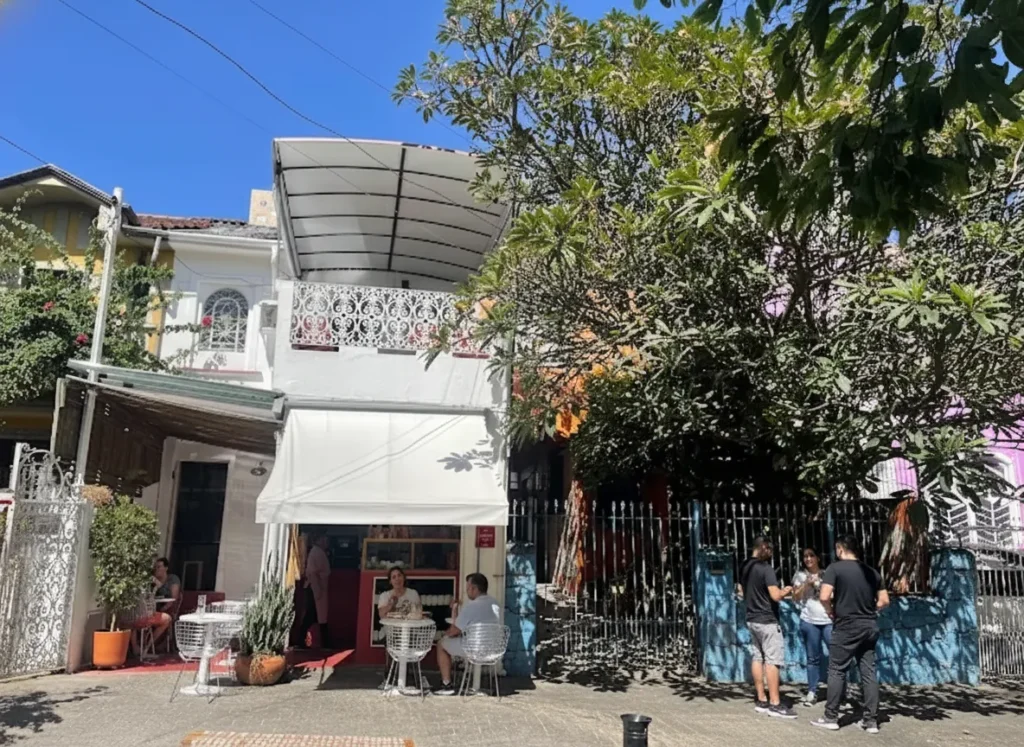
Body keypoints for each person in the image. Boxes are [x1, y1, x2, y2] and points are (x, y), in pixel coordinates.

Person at [811, 534, 890, 734]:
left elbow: (824, 595)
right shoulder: (872, 572)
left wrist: (830, 611)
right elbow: (884, 601)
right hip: (869, 626)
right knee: (868, 672)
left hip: (846, 625)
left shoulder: (834, 569)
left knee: (837, 669)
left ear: (839, 548)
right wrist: (871, 612)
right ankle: (871, 721)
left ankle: (831, 717)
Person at [738, 536, 796, 719]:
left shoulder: (745, 566)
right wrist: (786, 590)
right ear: (763, 547)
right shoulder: (766, 569)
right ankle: (775, 703)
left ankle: (761, 699)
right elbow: (776, 596)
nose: (771, 553)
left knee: (757, 656)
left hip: (751, 618)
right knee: (772, 660)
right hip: (768, 620)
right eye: (769, 549)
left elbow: (740, 591)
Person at [433, 572, 500, 696]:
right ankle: (476, 686)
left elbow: (454, 630)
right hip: (493, 648)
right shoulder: (495, 603)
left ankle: (446, 684)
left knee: (441, 644)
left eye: (468, 588)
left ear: (474, 589)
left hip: (474, 648)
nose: (467, 591)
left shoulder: (472, 606)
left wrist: (445, 634)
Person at [792, 547, 833, 706]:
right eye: (805, 556)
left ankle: (839, 691)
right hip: (809, 620)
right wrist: (806, 584)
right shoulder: (800, 575)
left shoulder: (827, 574)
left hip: (828, 620)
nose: (808, 559)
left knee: (836, 655)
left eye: (811, 555)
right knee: (812, 657)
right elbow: (795, 596)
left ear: (818, 558)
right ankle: (812, 691)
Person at [131, 557, 179, 655]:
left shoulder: (172, 579)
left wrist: (163, 608)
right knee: (135, 617)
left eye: (159, 567)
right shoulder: (149, 580)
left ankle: (148, 645)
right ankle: (143, 646)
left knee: (166, 617)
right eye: (155, 567)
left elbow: (174, 598)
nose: (156, 569)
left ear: (166, 568)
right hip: (148, 611)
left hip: (166, 607)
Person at [299, 533, 331, 649]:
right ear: (318, 540)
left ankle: (324, 642)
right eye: (324, 539)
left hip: (318, 587)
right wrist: (317, 591)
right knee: (312, 614)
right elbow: (312, 573)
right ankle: (302, 640)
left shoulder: (318, 552)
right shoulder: (316, 552)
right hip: (315, 588)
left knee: (316, 616)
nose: (326, 542)